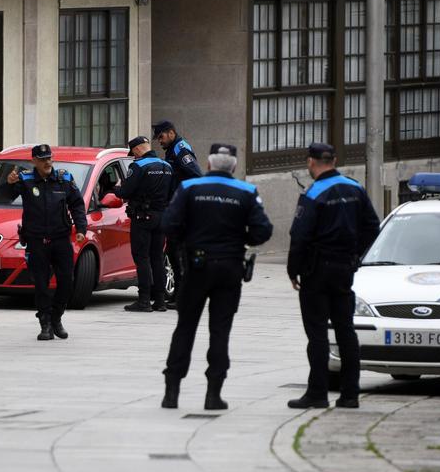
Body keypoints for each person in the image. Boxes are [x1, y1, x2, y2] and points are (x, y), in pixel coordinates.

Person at [160, 144, 273, 410]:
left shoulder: (189, 188)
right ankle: (213, 395)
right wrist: (239, 240)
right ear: (233, 166)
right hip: (230, 268)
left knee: (185, 328)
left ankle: (172, 392)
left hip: (196, 266)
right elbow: (263, 231)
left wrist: (187, 241)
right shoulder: (246, 191)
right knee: (220, 331)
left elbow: (169, 224)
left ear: (209, 165)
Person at [286, 142, 380, 409]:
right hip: (344, 270)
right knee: (346, 332)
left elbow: (299, 236)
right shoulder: (355, 188)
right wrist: (355, 255)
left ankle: (317, 393)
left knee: (317, 335)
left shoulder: (314, 192)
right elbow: (373, 227)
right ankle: (350, 394)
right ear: (334, 159)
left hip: (317, 272)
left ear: (311, 162)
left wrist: (293, 270)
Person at [1, 144, 88, 341]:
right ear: (34, 161)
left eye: (49, 158)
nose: (47, 162)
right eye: (42, 159)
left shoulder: (64, 179)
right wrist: (8, 183)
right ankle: (45, 324)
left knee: (67, 281)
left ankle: (56, 317)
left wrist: (82, 229)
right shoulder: (25, 179)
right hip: (36, 241)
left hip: (60, 239)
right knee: (41, 284)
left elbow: (77, 205)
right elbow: (4, 197)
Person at [114, 136, 173, 312]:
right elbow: (172, 192)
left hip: (142, 218)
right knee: (157, 258)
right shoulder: (167, 166)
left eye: (134, 153)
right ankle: (160, 301)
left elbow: (125, 191)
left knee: (142, 258)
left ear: (138, 149)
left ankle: (144, 300)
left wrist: (117, 187)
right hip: (162, 217)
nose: (134, 157)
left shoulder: (138, 166)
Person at [153, 120, 202, 310]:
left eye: (162, 136)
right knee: (175, 252)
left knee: (178, 252)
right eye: (158, 138)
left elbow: (196, 176)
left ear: (171, 133)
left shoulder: (180, 150)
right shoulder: (172, 150)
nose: (160, 141)